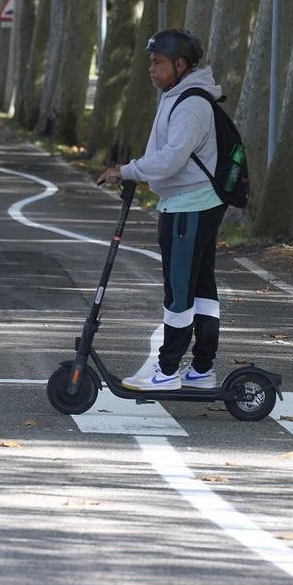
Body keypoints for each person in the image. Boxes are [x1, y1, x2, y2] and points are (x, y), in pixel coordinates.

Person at [95, 29, 229, 392]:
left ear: (180, 64)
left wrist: (128, 171)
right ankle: (202, 369)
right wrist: (135, 170)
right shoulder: (181, 96)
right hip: (192, 203)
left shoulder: (191, 104)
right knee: (200, 287)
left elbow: (171, 160)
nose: (151, 70)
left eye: (158, 63)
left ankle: (168, 370)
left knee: (180, 288)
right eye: (150, 63)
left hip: (190, 206)